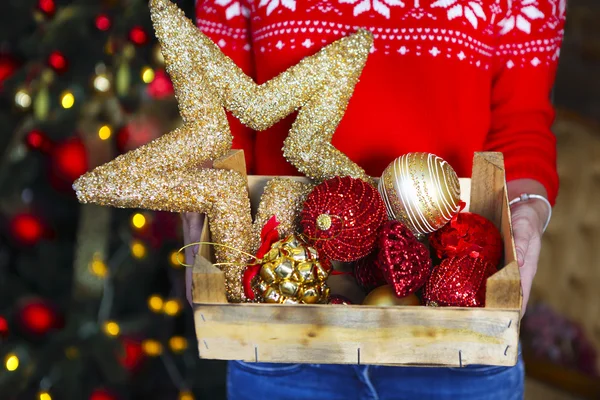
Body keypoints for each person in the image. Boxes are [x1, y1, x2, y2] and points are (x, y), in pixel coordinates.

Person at [183, 1, 566, 399]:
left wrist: (526, 209)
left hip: (458, 329)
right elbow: (224, 117)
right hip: (277, 321)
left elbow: (520, 124)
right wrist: (207, 203)